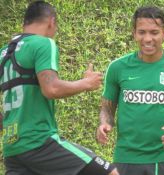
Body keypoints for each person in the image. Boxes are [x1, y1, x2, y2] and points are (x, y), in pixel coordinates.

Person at [0, 1, 119, 175]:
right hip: (39, 141)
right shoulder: (43, 43)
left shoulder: (4, 52)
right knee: (110, 172)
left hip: (13, 148)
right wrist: (86, 83)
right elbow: (51, 89)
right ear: (51, 21)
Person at [96, 6, 164, 175]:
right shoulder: (117, 68)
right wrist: (104, 124)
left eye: (154, 32)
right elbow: (107, 108)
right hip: (126, 157)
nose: (148, 38)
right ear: (134, 33)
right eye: (142, 32)